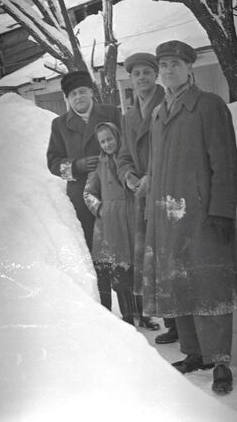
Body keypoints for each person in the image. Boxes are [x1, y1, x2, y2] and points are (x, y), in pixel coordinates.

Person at [143, 40, 237, 395]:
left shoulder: (209, 106)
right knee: (178, 280)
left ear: (189, 69)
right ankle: (194, 353)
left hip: (202, 215)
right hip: (168, 215)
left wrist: (221, 211)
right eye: (163, 65)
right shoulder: (158, 113)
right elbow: (154, 168)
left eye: (174, 64)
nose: (168, 71)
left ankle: (220, 361)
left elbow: (225, 162)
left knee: (208, 283)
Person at [46, 70, 121, 310]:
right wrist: (76, 166)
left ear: (91, 91)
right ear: (67, 98)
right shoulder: (59, 125)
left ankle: (136, 313)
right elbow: (53, 163)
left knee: (122, 248)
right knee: (95, 253)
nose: (78, 97)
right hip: (82, 197)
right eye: (73, 94)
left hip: (115, 191)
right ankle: (105, 310)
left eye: (82, 91)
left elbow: (126, 146)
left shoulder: (111, 113)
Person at [116, 52, 171, 337]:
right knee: (150, 259)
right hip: (141, 192)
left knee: (168, 255)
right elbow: (123, 153)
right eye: (136, 74)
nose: (141, 78)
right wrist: (128, 176)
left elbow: (170, 148)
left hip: (165, 187)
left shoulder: (167, 103)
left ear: (155, 75)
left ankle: (176, 322)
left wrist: (152, 175)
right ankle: (170, 320)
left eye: (146, 73)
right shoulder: (128, 116)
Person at [83, 122, 146, 326]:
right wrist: (101, 209)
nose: (107, 144)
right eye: (102, 141)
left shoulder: (130, 159)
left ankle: (145, 315)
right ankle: (128, 317)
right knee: (120, 273)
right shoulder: (99, 166)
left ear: (118, 137)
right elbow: (88, 192)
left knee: (139, 270)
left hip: (134, 221)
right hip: (112, 227)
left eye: (110, 139)